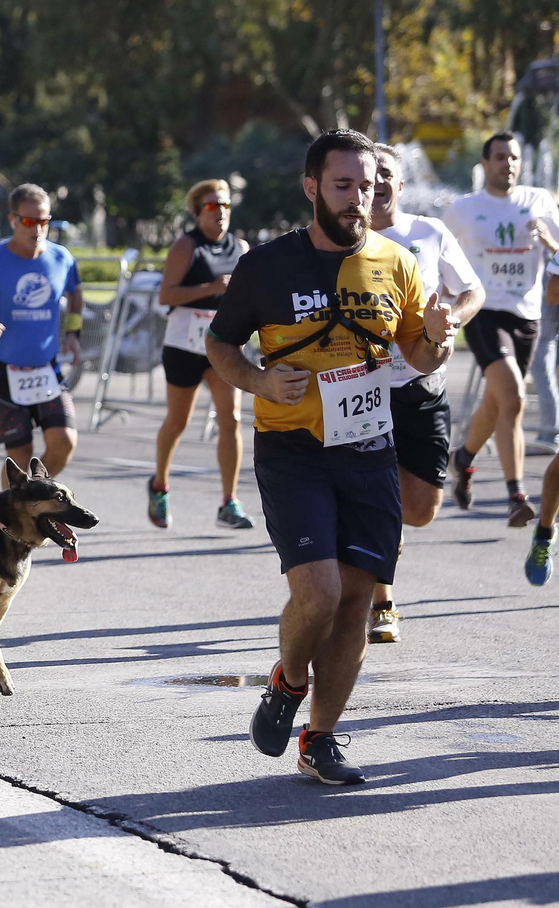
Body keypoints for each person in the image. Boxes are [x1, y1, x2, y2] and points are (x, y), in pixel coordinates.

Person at [207, 129, 453, 786]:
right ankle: (287, 681)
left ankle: (321, 737)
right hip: (293, 448)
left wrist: (437, 340)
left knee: (357, 603)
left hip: (370, 449)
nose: (357, 199)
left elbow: (419, 354)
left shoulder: (397, 263)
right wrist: (259, 381)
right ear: (312, 186)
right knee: (318, 593)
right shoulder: (268, 265)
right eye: (343, 186)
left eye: (368, 187)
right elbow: (221, 344)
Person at [369, 144, 484, 639]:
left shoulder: (428, 233)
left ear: (400, 183)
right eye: (366, 175)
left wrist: (450, 322)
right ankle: (382, 601)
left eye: (385, 175)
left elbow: (472, 289)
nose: (374, 185)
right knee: (381, 496)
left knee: (420, 509)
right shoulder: (344, 242)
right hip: (365, 386)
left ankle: (381, 532)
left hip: (422, 384)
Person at [442, 132, 559, 525]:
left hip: (527, 315)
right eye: (498, 157)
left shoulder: (539, 201)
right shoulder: (463, 209)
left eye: (512, 158)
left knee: (497, 404)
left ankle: (464, 458)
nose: (506, 164)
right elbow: (438, 257)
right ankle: (516, 495)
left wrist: (552, 245)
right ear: (484, 163)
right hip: (483, 311)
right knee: (512, 396)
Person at [148, 179, 254, 530]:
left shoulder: (240, 246)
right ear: (197, 212)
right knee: (178, 422)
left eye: (224, 205)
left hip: (222, 344)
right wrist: (211, 287)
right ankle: (159, 485)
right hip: (185, 346)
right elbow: (167, 296)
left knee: (232, 420)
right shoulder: (186, 246)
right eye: (212, 206)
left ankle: (229, 501)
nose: (220, 212)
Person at [0, 183, 82, 482]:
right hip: (2, 373)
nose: (38, 229)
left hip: (45, 368)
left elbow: (75, 292)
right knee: (19, 455)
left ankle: (30, 497)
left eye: (44, 221)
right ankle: (10, 520)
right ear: (12, 220)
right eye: (29, 221)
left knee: (64, 442)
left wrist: (72, 334)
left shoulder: (61, 257)